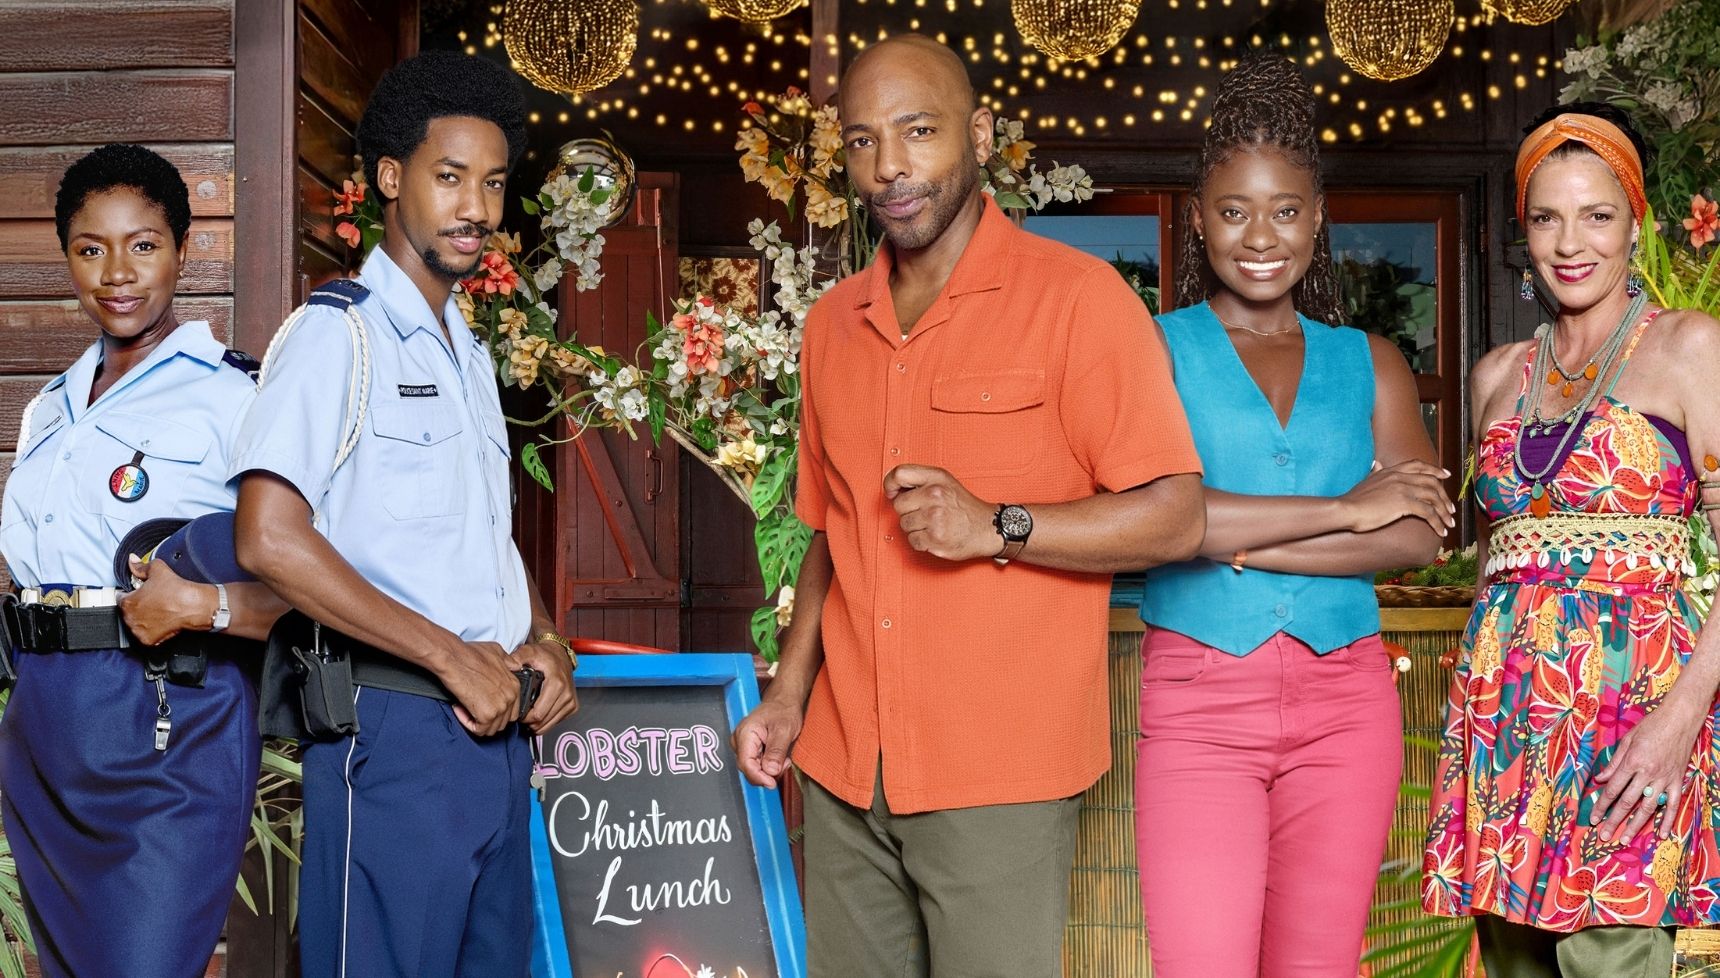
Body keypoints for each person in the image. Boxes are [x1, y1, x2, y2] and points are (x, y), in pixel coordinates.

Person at [729, 34, 1206, 978]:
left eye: (918, 131)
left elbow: (1175, 513)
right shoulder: (832, 326)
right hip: (842, 766)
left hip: (999, 775)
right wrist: (787, 694)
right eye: (862, 141)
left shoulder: (1079, 300)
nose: (889, 167)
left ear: (979, 135)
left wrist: (999, 525)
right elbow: (831, 531)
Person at [228, 51, 578, 978]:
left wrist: (546, 639)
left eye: (493, 183)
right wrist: (451, 657)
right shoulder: (337, 334)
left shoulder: (467, 351)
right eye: (450, 177)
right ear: (391, 177)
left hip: (498, 739)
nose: (478, 208)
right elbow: (266, 536)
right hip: (393, 733)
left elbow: (482, 540)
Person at [1130, 54, 1453, 978]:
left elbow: (1418, 535)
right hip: (1198, 704)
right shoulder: (1153, 349)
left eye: (1284, 210)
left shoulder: (1371, 360)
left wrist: (1237, 542)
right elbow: (1159, 518)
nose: (1260, 237)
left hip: (1348, 707)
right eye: (1234, 211)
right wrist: (1347, 510)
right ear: (1200, 219)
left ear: (1317, 216)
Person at [1421, 103, 1720, 977]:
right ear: (1525, 231)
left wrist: (1681, 720)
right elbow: (1500, 563)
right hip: (1507, 723)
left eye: (1597, 215)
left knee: (1618, 955)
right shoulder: (1495, 376)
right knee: (1515, 964)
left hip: (1637, 717)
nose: (1571, 242)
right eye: (1548, 218)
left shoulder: (1689, 347)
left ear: (1637, 223)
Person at [0, 144, 289, 978]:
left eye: (144, 245)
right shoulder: (49, 408)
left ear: (184, 250)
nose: (117, 273)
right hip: (46, 726)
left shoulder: (238, 397)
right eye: (91, 249)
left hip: (170, 723)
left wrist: (204, 606)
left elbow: (316, 578)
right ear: (67, 257)